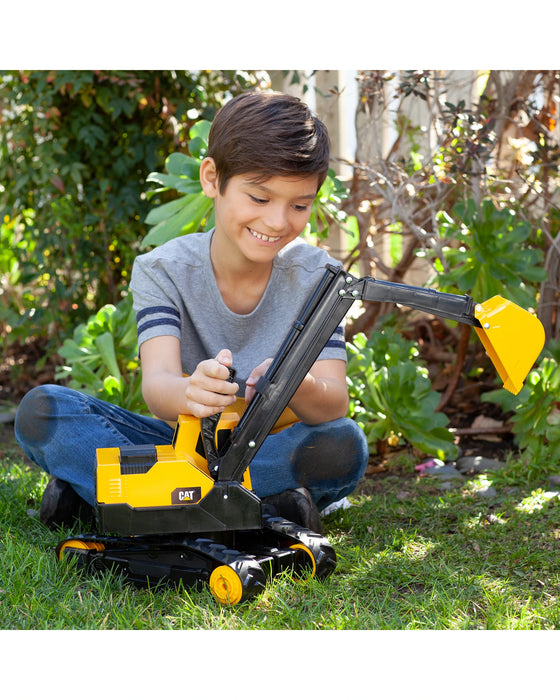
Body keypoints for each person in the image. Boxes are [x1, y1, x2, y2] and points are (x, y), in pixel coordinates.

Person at [14, 91, 369, 533]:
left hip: (266, 445)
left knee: (343, 443)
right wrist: (191, 393)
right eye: (259, 198)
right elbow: (159, 386)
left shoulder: (320, 276)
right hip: (181, 447)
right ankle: (263, 505)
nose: (279, 221)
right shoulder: (161, 270)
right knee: (45, 411)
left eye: (299, 205)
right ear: (211, 178)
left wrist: (293, 382)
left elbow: (335, 401)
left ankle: (122, 499)